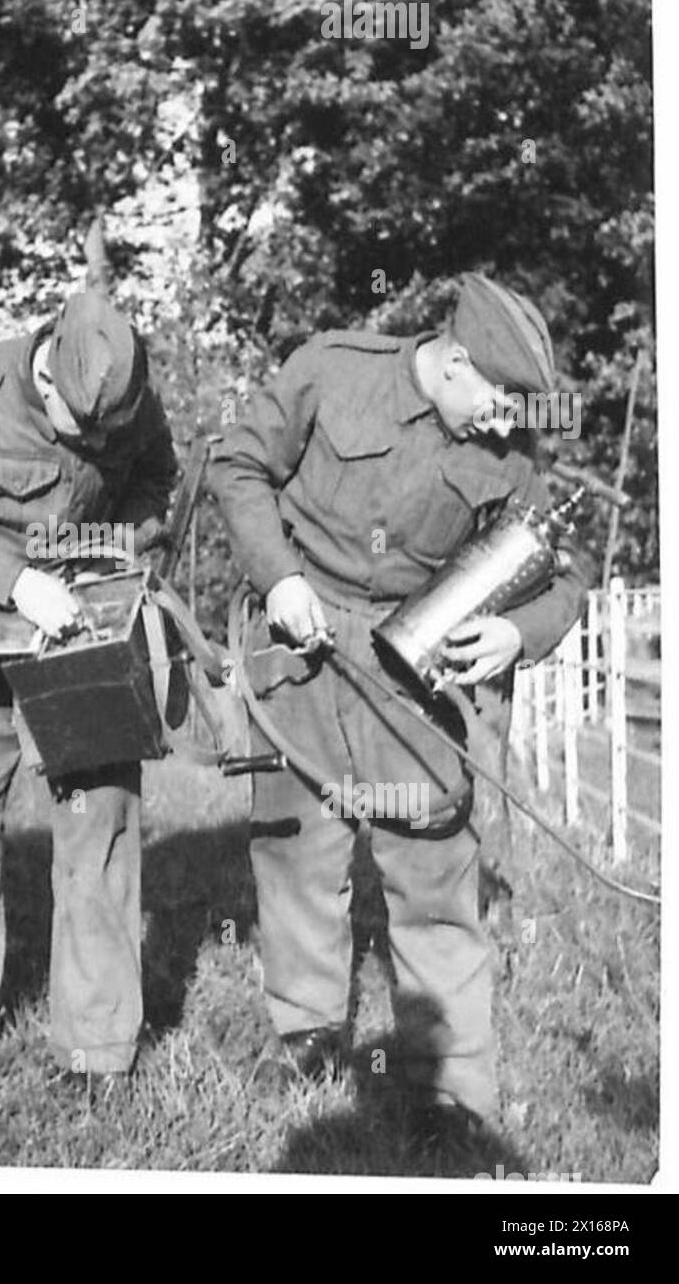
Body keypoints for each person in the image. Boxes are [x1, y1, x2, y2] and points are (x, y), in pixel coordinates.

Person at [208, 273, 589, 1139]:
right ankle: (306, 1032)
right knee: (298, 846)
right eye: (498, 401)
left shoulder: (514, 447)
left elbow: (567, 579)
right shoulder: (332, 370)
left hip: (418, 659)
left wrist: (514, 636)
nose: (508, 424)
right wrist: (281, 577)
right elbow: (237, 464)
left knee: (433, 863)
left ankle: (452, 1089)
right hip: (298, 638)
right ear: (453, 361)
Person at [0, 288, 177, 1089]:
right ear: (44, 368)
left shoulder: (129, 399)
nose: (91, 442)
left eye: (104, 434)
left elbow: (158, 479)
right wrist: (15, 583)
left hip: (81, 628)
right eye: (76, 427)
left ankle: (95, 1043)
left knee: (101, 821)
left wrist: (113, 547)